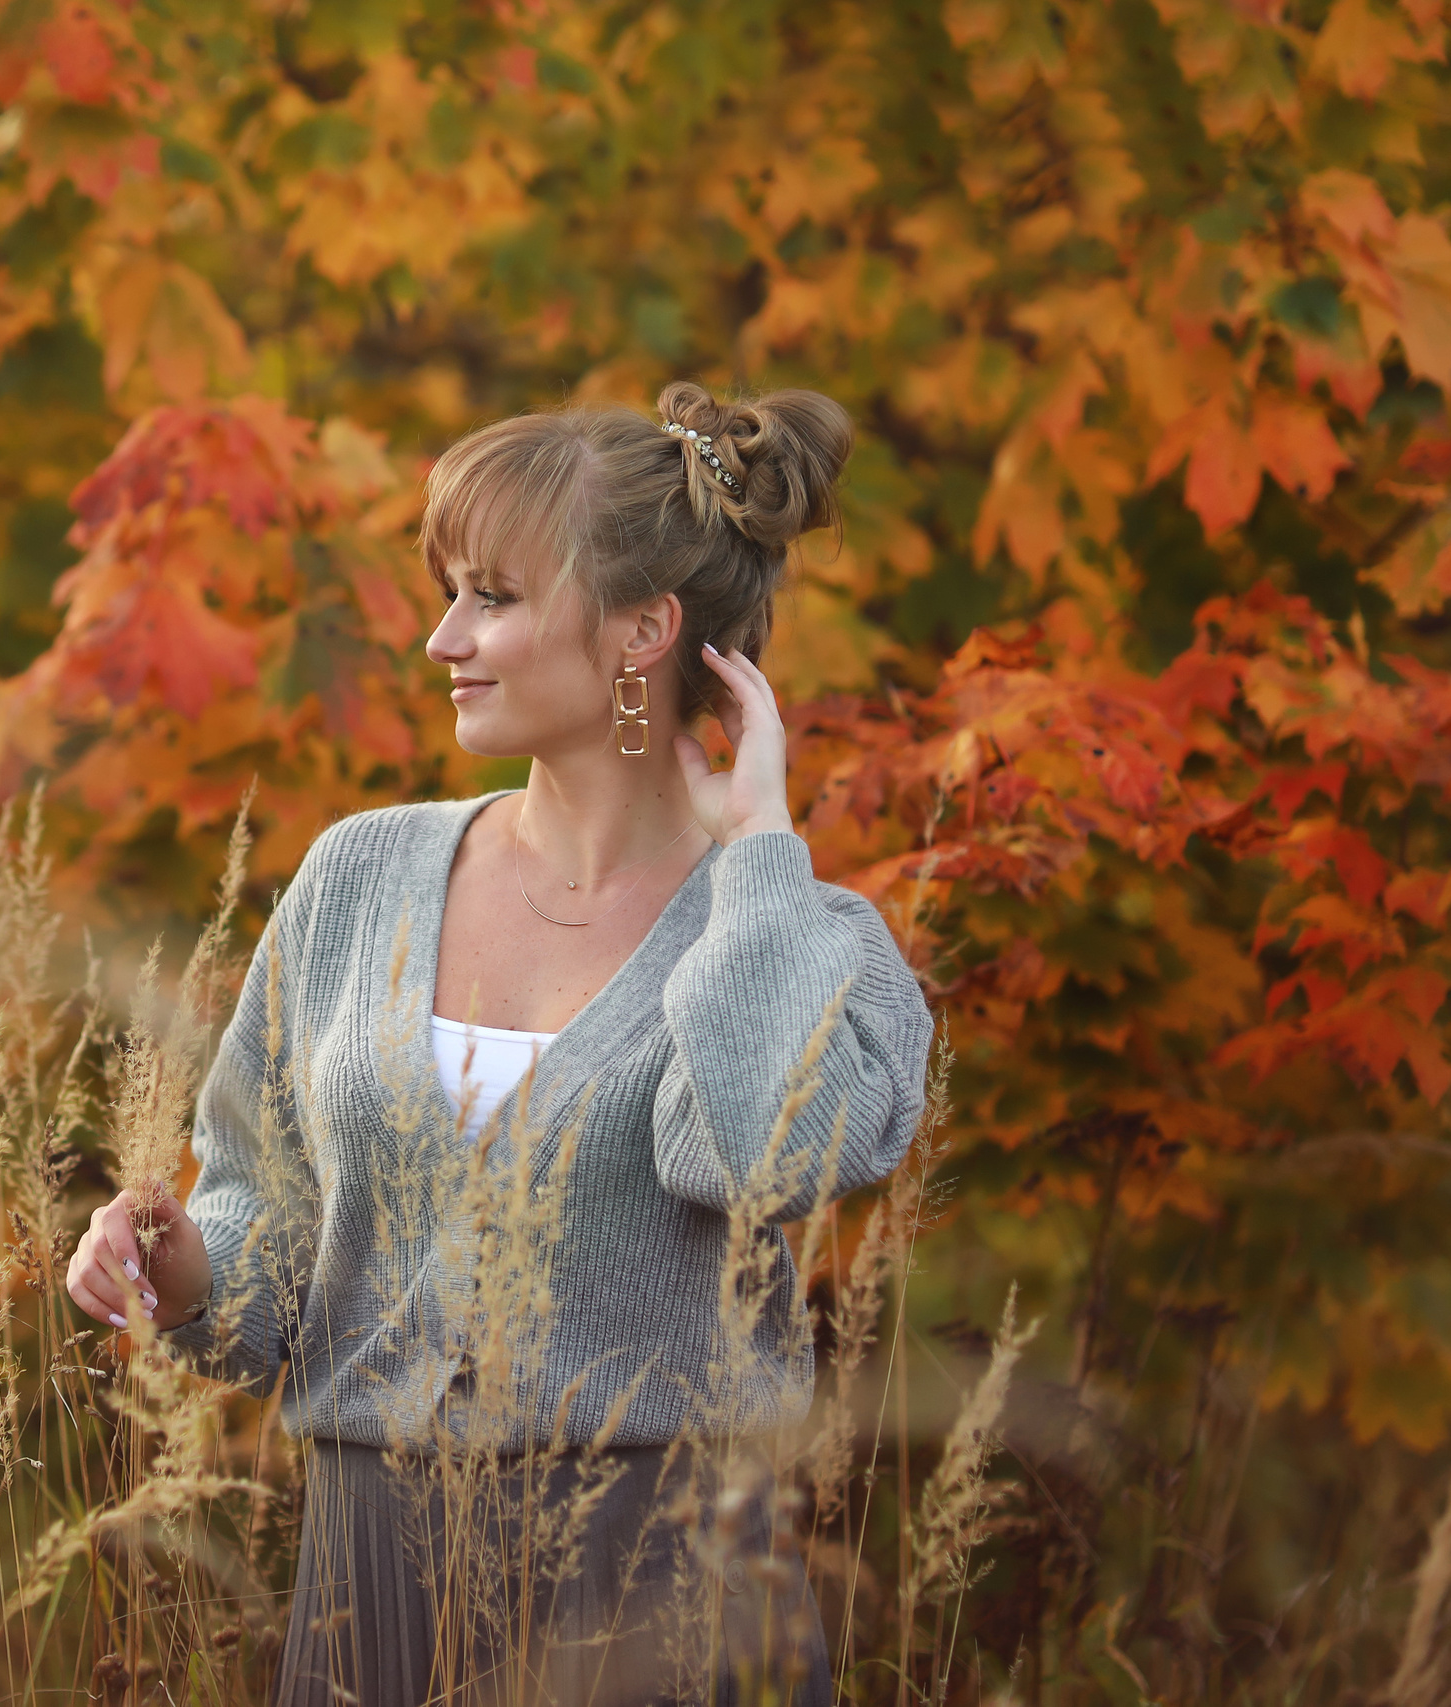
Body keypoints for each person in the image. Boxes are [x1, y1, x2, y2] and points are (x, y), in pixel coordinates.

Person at [65, 382, 936, 1706]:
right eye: (450, 592)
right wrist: (178, 1267)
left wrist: (757, 859)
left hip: (667, 1592)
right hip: (374, 1590)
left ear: (644, 630)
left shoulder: (798, 931)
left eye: (494, 596)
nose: (442, 639)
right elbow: (263, 1242)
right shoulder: (357, 878)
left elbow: (760, 1156)